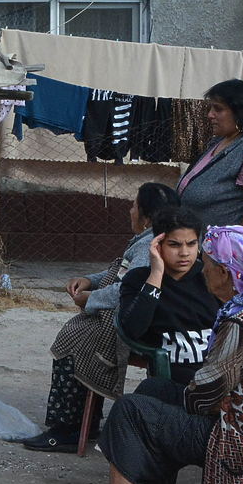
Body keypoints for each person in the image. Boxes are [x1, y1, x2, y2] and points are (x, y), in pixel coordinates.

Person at [100, 225, 243, 484]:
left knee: (129, 411)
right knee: (155, 388)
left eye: (208, 264)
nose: (202, 270)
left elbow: (202, 397)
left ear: (225, 273)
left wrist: (202, 398)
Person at [22, 183, 180, 453]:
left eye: (134, 206)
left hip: (136, 323)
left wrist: (91, 299)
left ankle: (68, 429)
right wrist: (88, 281)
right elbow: (121, 275)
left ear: (147, 217)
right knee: (77, 331)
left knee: (76, 339)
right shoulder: (145, 242)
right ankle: (85, 422)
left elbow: (127, 290)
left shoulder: (150, 247)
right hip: (128, 313)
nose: (130, 211)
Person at [116, 207, 224, 387]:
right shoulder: (138, 280)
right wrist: (157, 273)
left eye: (191, 244)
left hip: (217, 377)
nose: (184, 253)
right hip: (171, 381)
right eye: (174, 244)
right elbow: (132, 329)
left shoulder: (211, 277)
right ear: (157, 245)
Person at [176, 79, 243, 227]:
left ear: (239, 113)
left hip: (221, 247)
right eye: (211, 108)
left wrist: (238, 244)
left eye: (218, 109)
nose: (210, 115)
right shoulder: (219, 142)